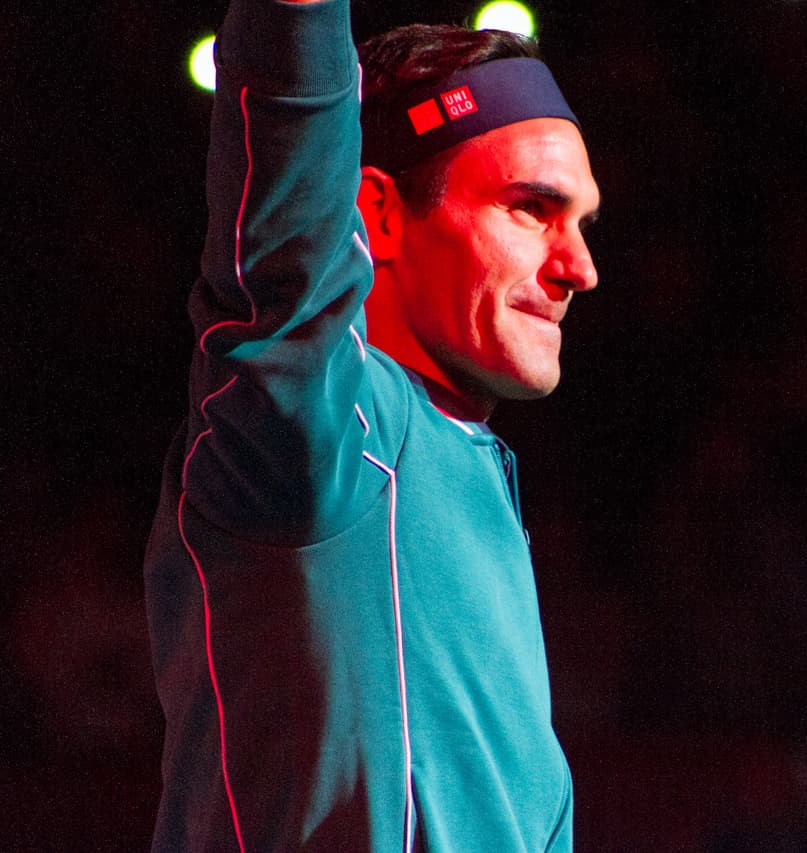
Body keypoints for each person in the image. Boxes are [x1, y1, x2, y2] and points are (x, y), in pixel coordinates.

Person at [143, 0, 599, 849]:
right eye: (532, 208)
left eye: (581, 222)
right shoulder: (319, 437)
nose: (581, 267)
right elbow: (285, 247)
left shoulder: (477, 479)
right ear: (378, 215)